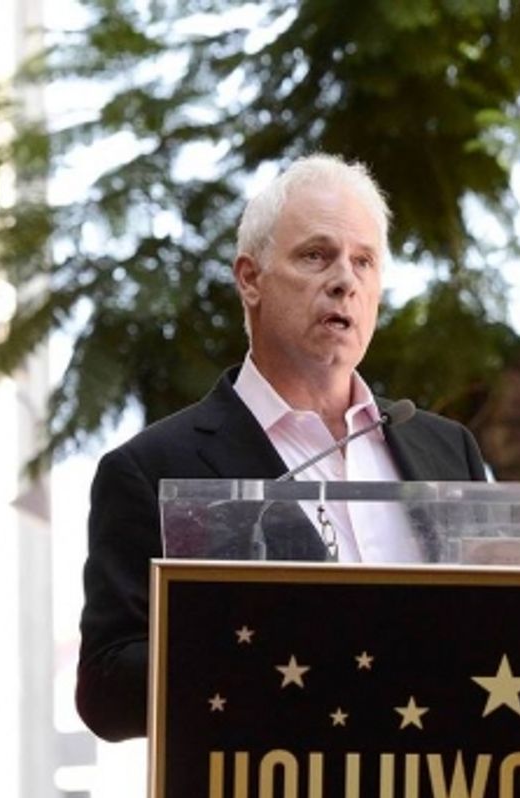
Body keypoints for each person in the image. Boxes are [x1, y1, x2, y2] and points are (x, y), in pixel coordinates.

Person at [77, 154, 487, 742]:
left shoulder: (449, 451)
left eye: (364, 261)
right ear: (250, 279)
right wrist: (267, 654)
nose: (345, 279)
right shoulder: (153, 470)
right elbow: (107, 690)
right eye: (316, 255)